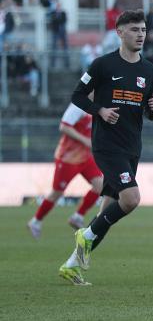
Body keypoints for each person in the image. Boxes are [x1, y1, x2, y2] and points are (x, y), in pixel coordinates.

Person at [58, 10, 153, 285]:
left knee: (106, 212)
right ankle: (84, 235)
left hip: (132, 147)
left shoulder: (150, 72)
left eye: (143, 30)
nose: (140, 34)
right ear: (120, 32)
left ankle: (72, 264)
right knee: (131, 199)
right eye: (134, 30)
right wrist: (100, 110)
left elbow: (150, 111)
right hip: (106, 145)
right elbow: (77, 96)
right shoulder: (102, 65)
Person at [28, 102, 103, 239]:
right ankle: (35, 221)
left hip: (85, 157)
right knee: (57, 192)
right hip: (68, 158)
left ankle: (77, 216)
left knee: (100, 185)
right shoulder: (78, 105)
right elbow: (64, 127)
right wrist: (85, 140)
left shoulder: (98, 105)